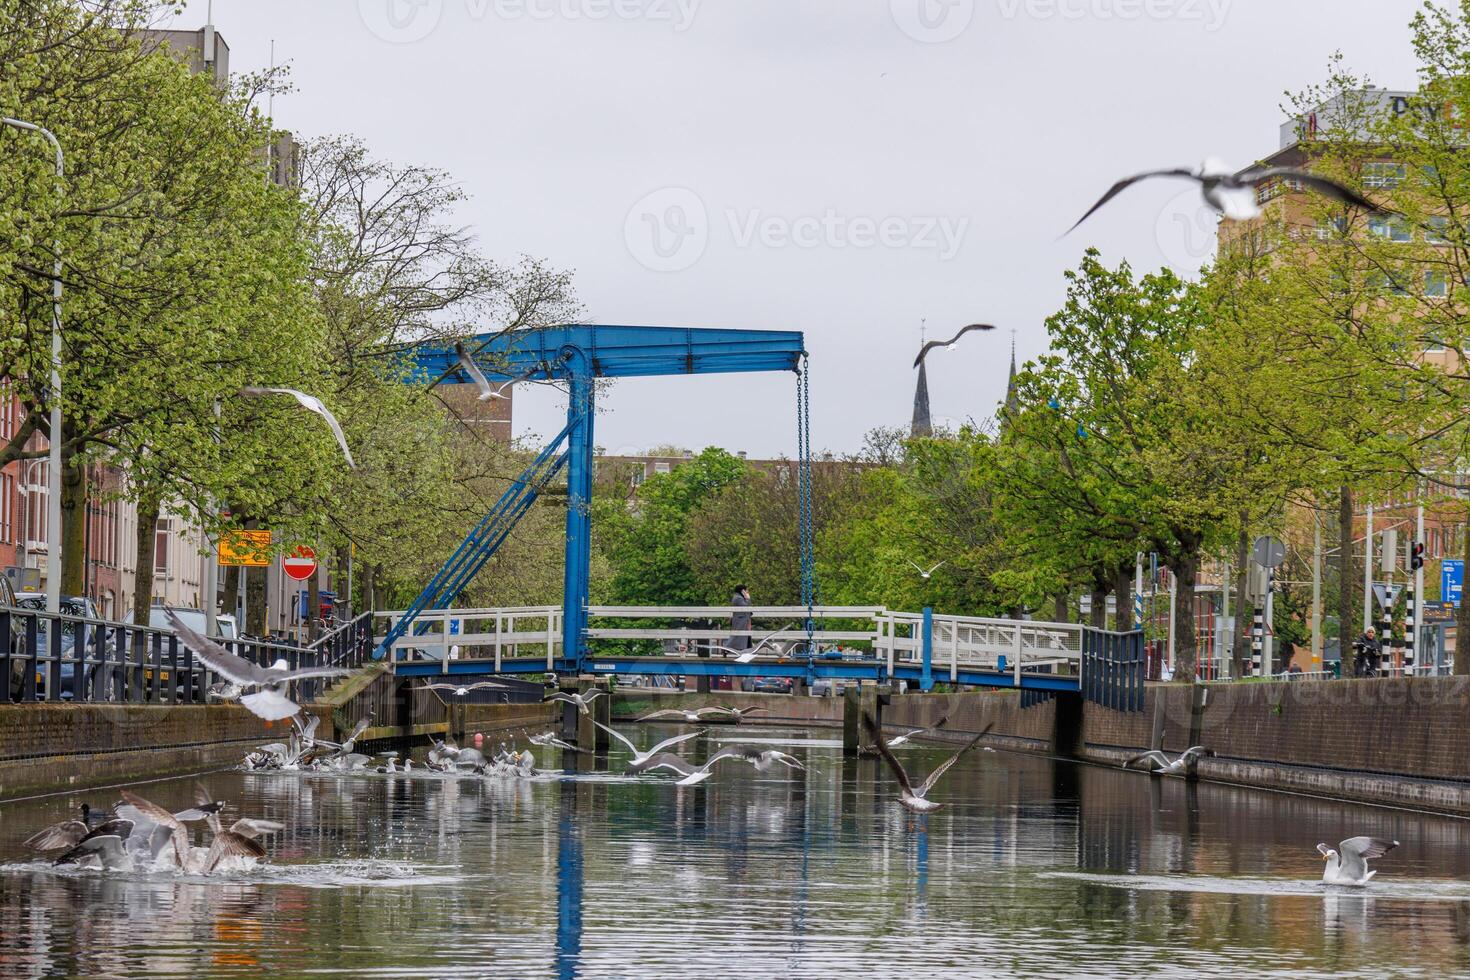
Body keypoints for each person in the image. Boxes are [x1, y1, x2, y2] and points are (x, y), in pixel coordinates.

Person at [729, 584, 752, 651]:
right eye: (746, 590)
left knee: (745, 637)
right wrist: (747, 598)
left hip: (743, 621)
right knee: (735, 637)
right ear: (742, 591)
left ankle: (748, 650)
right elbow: (746, 607)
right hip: (740, 621)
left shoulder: (739, 597)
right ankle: (727, 649)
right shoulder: (738, 598)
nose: (747, 591)